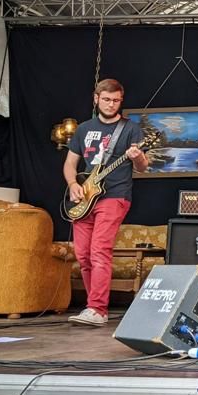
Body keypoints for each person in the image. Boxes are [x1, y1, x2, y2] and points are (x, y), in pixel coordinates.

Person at [63, 78, 148, 326]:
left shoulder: (130, 129)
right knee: (83, 255)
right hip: (85, 198)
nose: (111, 104)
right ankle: (95, 307)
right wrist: (73, 184)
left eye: (116, 100)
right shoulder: (83, 129)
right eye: (107, 99)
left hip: (115, 196)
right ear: (96, 98)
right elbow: (70, 164)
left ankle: (97, 309)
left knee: (99, 250)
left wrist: (137, 156)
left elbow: (142, 167)